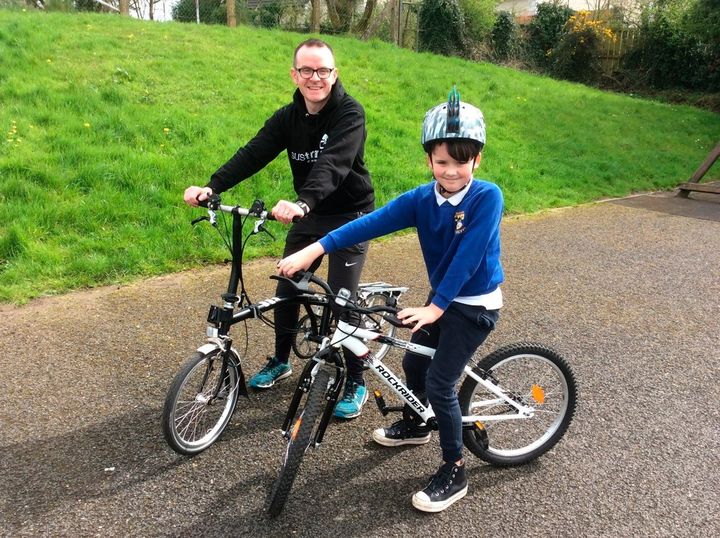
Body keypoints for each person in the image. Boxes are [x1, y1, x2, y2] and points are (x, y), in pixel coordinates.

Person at [276, 87, 503, 513]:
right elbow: (369, 224)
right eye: (441, 162)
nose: (450, 171)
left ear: (477, 159)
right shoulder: (422, 199)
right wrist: (315, 249)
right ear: (428, 160)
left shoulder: (486, 197)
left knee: (439, 381)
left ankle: (455, 469)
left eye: (460, 161)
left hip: (474, 305)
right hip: (442, 299)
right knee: (415, 360)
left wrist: (435, 308)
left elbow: (469, 258)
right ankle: (418, 423)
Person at [183, 39, 375, 419]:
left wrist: (303, 201)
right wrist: (213, 186)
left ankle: (356, 380)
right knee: (287, 289)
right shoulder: (287, 117)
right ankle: (281, 360)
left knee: (341, 299)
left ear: (334, 74)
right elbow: (253, 152)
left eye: (323, 70)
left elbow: (334, 164)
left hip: (349, 215)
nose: (315, 77)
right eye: (307, 70)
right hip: (310, 215)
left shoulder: (350, 113)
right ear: (295, 74)